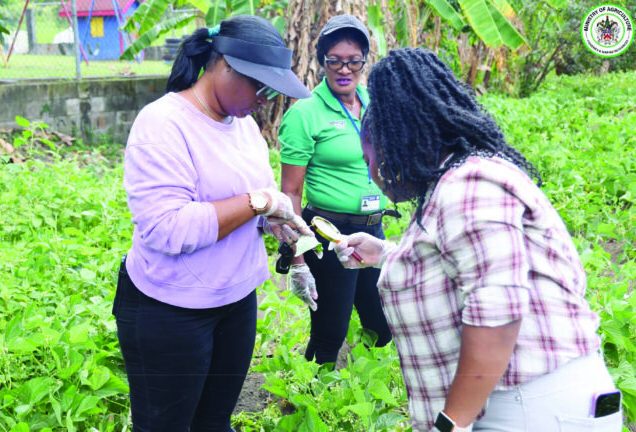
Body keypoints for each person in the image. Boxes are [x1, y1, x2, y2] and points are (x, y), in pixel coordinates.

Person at [333, 48, 623, 431]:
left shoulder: (467, 184)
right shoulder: (454, 183)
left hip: (532, 406)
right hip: (518, 401)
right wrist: (384, 253)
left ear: (395, 144)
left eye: (369, 159)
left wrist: (451, 424)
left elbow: (497, 314)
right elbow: (463, 264)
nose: (372, 174)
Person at [112, 15, 313, 432]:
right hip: (170, 310)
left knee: (214, 422)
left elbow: (252, 208)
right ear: (223, 65)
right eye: (259, 86)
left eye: (271, 91)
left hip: (235, 302)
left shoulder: (244, 128)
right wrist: (259, 202)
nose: (264, 99)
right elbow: (168, 228)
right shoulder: (162, 124)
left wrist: (277, 227)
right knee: (164, 426)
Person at [276, 14, 392, 365]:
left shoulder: (376, 104)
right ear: (322, 61)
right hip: (328, 231)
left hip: (373, 228)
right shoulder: (305, 114)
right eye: (335, 60)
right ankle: (313, 398)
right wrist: (297, 258)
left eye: (354, 60)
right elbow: (291, 194)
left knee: (381, 326)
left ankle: (358, 385)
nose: (345, 69)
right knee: (330, 330)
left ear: (363, 61)